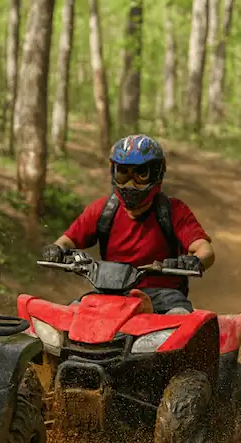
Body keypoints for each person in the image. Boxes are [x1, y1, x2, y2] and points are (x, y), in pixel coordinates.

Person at [40, 134, 214, 315]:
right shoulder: (103, 210)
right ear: (113, 172)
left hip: (164, 297)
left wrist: (195, 261)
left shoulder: (174, 211)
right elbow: (66, 241)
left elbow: (205, 250)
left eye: (141, 174)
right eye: (123, 173)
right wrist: (56, 250)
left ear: (157, 173)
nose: (130, 184)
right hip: (109, 293)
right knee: (68, 317)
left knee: (180, 317)